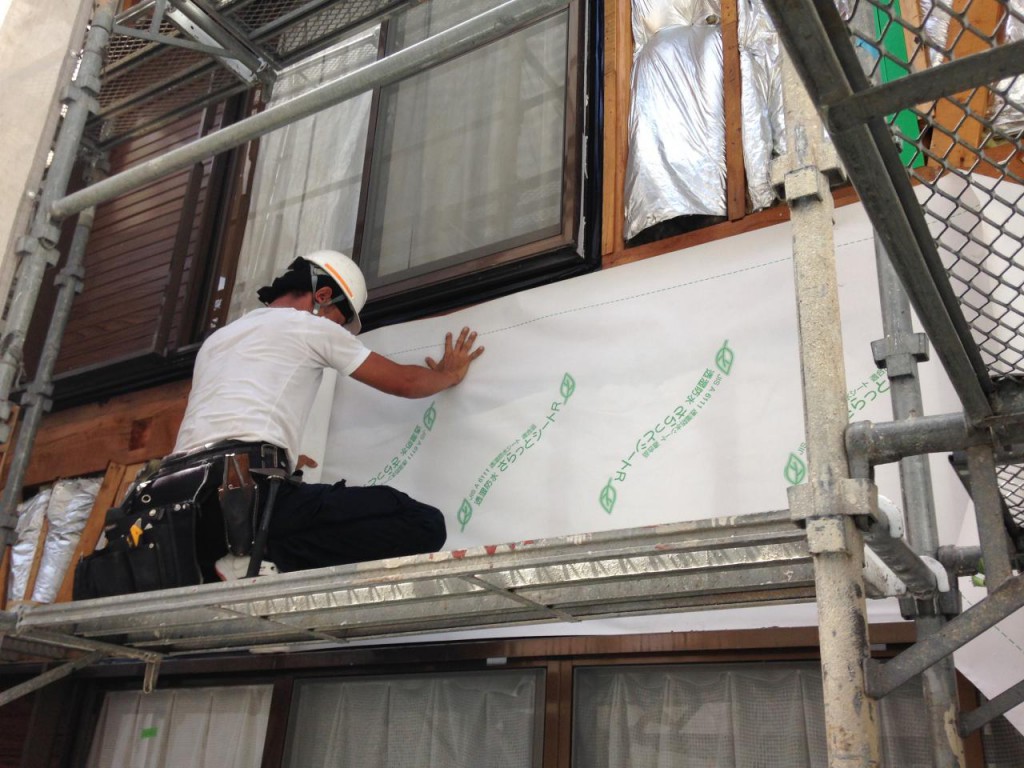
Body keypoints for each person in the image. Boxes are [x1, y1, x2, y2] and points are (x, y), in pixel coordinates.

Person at [171, 249, 484, 581]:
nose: (339, 331)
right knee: (422, 523)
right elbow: (405, 382)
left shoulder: (217, 340)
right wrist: (449, 375)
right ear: (322, 296)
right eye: (339, 321)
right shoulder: (308, 326)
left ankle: (241, 559)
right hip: (246, 500)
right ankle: (254, 557)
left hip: (182, 510)